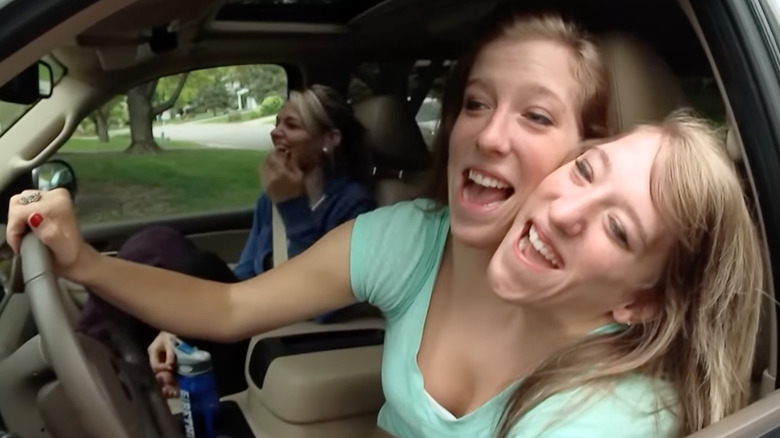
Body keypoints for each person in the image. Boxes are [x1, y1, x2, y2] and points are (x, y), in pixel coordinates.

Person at [8, 10, 663, 437]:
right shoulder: (409, 235)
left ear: (589, 153)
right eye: (476, 102)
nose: (489, 134)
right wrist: (86, 262)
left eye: (537, 117)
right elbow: (235, 304)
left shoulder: (607, 398)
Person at [77, 84, 377, 397]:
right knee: (162, 243)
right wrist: (178, 323)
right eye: (276, 123)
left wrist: (291, 207)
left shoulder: (353, 205)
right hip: (246, 318)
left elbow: (324, 301)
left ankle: (99, 361)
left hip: (288, 337)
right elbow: (245, 273)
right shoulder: (270, 199)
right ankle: (109, 354)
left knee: (200, 264)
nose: (276, 133)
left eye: (291, 125)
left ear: (330, 140)